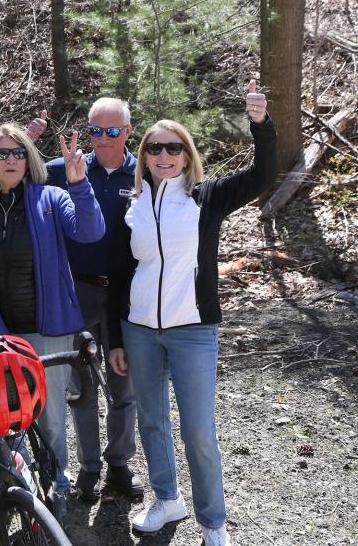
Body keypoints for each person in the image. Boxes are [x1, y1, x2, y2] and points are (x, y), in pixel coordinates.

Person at [108, 81, 276, 546]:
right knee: (152, 420)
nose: (164, 155)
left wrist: (260, 124)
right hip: (139, 328)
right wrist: (115, 339)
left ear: (186, 155)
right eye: (155, 148)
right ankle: (166, 500)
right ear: (144, 156)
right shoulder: (133, 206)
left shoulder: (208, 197)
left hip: (193, 331)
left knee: (199, 430)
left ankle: (213, 523)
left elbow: (264, 175)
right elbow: (120, 275)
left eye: (173, 148)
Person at [0, 123, 105, 497]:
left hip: (49, 329)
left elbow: (90, 232)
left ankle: (55, 481)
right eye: (2, 153)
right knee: (9, 413)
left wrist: (79, 184)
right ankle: (23, 489)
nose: (11, 160)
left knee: (49, 413)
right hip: (4, 334)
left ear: (29, 159)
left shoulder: (52, 199)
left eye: (18, 152)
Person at [45, 98, 143, 502]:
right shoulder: (60, 171)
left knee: (125, 385)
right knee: (81, 386)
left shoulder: (145, 172)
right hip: (76, 290)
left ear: (128, 132)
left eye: (113, 131)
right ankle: (88, 468)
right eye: (97, 131)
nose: (104, 140)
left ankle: (119, 462)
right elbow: (8, 175)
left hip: (126, 293)